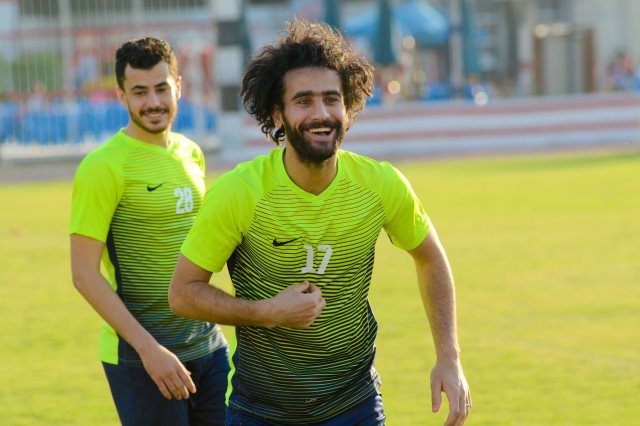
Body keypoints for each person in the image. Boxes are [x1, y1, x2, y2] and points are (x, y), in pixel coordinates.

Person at [169, 19, 471, 426]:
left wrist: (449, 357)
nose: (322, 113)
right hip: (260, 411)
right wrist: (268, 312)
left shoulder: (381, 184)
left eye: (332, 99)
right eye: (304, 101)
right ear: (277, 114)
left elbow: (430, 256)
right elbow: (183, 293)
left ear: (349, 107)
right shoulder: (240, 192)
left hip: (354, 404)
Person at [69, 37, 229, 426]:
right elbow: (84, 274)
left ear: (178, 87)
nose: (153, 102)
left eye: (161, 88)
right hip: (142, 357)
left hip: (210, 349)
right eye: (139, 92)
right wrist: (149, 350)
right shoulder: (102, 167)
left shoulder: (191, 153)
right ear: (121, 95)